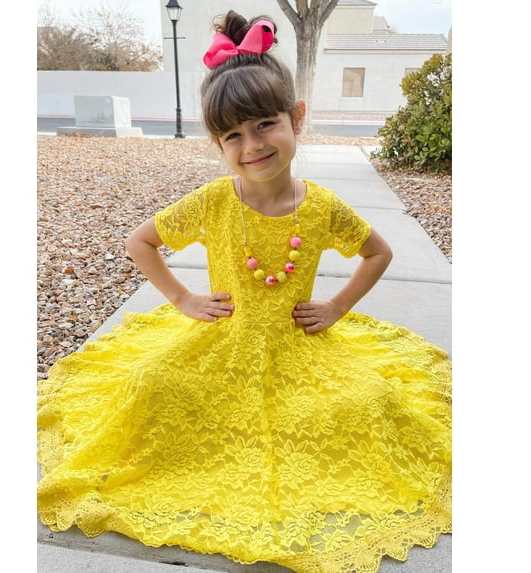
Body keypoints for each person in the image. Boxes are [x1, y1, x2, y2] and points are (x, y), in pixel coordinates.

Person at [38, 10, 451, 573]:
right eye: (232, 134)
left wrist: (336, 306)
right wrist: (184, 300)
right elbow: (141, 242)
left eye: (264, 124)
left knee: (366, 402)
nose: (251, 144)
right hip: (222, 341)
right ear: (217, 143)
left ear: (296, 117)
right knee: (152, 384)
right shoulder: (214, 201)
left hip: (297, 345)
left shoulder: (323, 208)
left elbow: (378, 252)